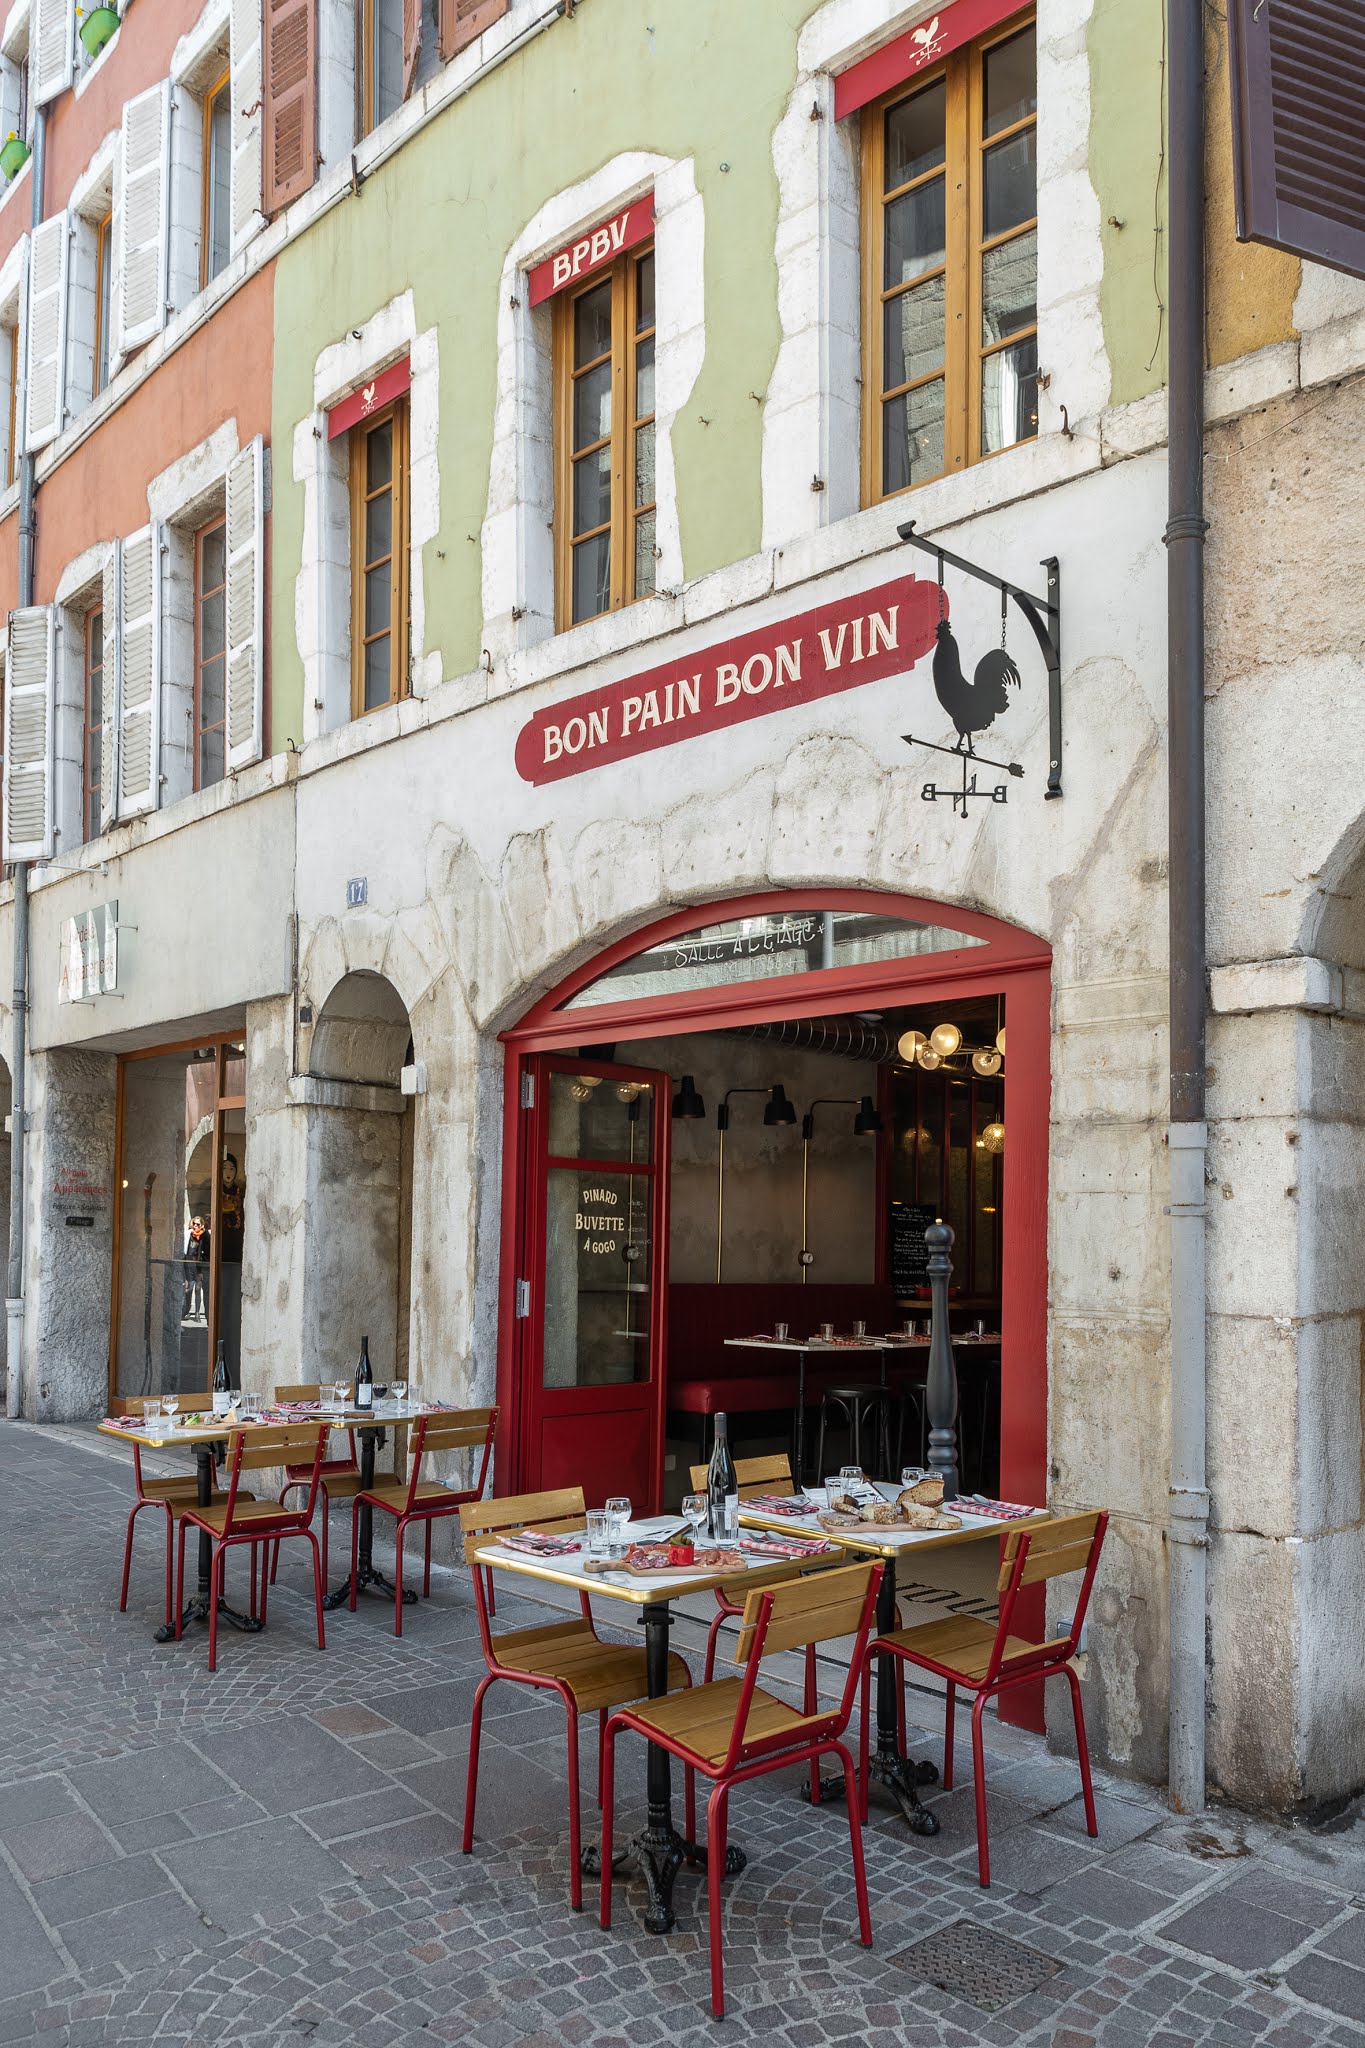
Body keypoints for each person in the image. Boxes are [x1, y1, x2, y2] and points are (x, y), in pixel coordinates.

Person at [219, 1153, 245, 1263]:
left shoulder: (239, 1191)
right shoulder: (217, 1189)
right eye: (224, 1168)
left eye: (231, 1169)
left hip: (235, 1228)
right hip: (221, 1227)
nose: (228, 1173)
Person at [183, 1215, 209, 1320]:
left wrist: (202, 1269)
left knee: (198, 1289)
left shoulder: (204, 1236)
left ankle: (197, 1313)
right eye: (194, 1223)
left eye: (198, 1224)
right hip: (189, 1265)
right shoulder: (189, 1234)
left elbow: (206, 1253)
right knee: (189, 1289)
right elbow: (186, 1250)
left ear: (202, 1225)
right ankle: (187, 1310)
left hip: (199, 1266)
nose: (195, 1226)